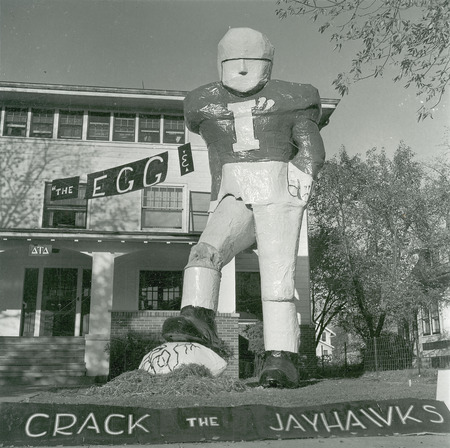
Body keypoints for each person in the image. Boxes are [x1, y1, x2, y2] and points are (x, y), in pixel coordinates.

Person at [162, 27, 325, 388]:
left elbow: (312, 150)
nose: (242, 70)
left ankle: (282, 357)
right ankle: (196, 316)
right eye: (234, 62)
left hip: (275, 187)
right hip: (235, 191)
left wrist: (296, 189)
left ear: (267, 63)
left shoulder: (293, 97)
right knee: (206, 250)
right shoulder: (203, 102)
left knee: (277, 276)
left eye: (250, 61)